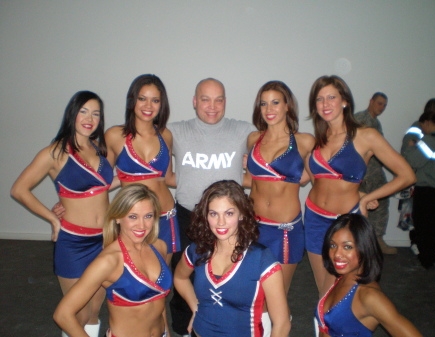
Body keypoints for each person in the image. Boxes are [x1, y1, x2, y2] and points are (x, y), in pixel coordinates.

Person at [11, 91, 113, 337]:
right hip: (74, 243)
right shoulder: (55, 153)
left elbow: (102, 187)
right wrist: (52, 218)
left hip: (105, 239)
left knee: (94, 309)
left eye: (96, 113)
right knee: (76, 313)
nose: (90, 118)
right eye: (84, 111)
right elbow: (19, 190)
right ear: (72, 114)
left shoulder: (99, 149)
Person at [304, 75, 416, 296]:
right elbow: (319, 179)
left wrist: (364, 198)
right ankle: (323, 328)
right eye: (319, 99)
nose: (325, 104)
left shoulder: (366, 135)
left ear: (344, 100)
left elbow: (407, 175)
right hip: (314, 218)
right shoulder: (318, 138)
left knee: (340, 289)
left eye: (331, 97)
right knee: (323, 291)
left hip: (346, 222)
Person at [168, 78, 255, 336]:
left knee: (230, 277)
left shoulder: (243, 130)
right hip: (188, 216)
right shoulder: (176, 131)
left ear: (225, 102)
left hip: (229, 219)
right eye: (205, 99)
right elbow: (142, 153)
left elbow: (275, 153)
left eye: (219, 99)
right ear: (195, 102)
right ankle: (184, 329)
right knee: (186, 276)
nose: (212, 106)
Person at [174, 180, 290, 337]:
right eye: (213, 214)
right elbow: (180, 278)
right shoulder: (197, 250)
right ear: (206, 215)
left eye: (229, 213)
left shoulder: (262, 259)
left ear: (241, 214)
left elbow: (282, 324)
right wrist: (196, 308)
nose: (221, 222)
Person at [54, 183, 172, 337]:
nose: (142, 225)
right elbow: (63, 315)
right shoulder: (109, 261)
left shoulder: (159, 247)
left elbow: (159, 302)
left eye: (148, 216)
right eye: (133, 216)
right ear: (117, 217)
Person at [246, 81, 314, 322]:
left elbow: (324, 173)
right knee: (254, 294)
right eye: (263, 103)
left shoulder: (304, 141)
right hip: (252, 228)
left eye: (275, 102)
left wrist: (299, 178)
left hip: (284, 231)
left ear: (287, 106)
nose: (269, 108)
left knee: (276, 299)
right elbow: (252, 181)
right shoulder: (253, 138)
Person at [105, 74, 180, 264]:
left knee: (162, 280)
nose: (148, 106)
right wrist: (68, 201)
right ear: (132, 101)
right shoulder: (115, 135)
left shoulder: (166, 135)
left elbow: (169, 177)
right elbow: (101, 179)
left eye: (155, 100)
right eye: (142, 99)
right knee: (131, 278)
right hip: (132, 219)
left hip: (165, 216)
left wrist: (209, 176)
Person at [316, 213, 423, 337]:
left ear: (364, 248)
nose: (336, 254)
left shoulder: (370, 297)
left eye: (347, 247)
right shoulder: (342, 277)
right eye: (333, 245)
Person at [401, 98, 435, 269]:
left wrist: (413, 146)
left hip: (425, 189)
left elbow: (411, 159)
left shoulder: (427, 141)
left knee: (423, 224)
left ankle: (426, 258)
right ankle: (433, 256)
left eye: (423, 126)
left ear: (427, 122)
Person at [355, 92, 397, 254]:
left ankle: (377, 239)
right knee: (360, 206)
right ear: (371, 101)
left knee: (381, 205)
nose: (382, 108)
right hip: (363, 173)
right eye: (379, 103)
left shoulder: (376, 123)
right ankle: (361, 243)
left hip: (375, 172)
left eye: (384, 105)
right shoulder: (360, 120)